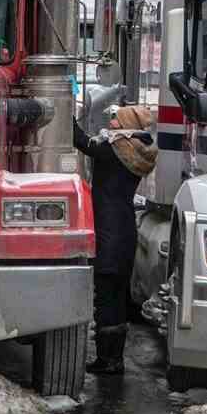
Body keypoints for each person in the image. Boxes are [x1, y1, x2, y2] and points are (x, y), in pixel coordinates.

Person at [74, 105, 158, 375]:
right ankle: (113, 357)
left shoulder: (116, 150)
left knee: (106, 296)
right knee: (117, 296)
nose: (110, 122)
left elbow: (83, 142)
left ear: (126, 125)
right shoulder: (133, 148)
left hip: (109, 232)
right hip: (124, 230)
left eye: (115, 119)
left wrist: (65, 113)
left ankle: (108, 360)